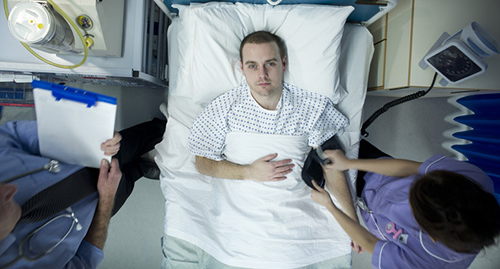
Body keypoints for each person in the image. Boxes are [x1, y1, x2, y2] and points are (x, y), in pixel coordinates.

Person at [171, 31, 359, 267]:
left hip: (297, 230)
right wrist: (248, 172)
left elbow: (332, 164)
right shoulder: (223, 108)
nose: (262, 74)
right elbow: (203, 162)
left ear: (283, 63)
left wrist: (352, 223)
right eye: (252, 66)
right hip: (240, 235)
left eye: (270, 64)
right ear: (241, 67)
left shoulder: (311, 106)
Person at [0, 118, 166, 268]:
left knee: (142, 137)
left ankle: (164, 127)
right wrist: (106, 203)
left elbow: (13, 134)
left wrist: (82, 138)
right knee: (128, 178)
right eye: (2, 205)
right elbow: (86, 259)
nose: (11, 188)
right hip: (94, 213)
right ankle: (141, 167)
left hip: (85, 159)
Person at [311, 140, 500, 269]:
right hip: (381, 170)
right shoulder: (473, 180)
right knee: (332, 145)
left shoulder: (421, 263)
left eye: (412, 201)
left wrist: (331, 206)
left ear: (430, 233)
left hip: (372, 212)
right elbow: (410, 168)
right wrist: (350, 163)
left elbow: (369, 242)